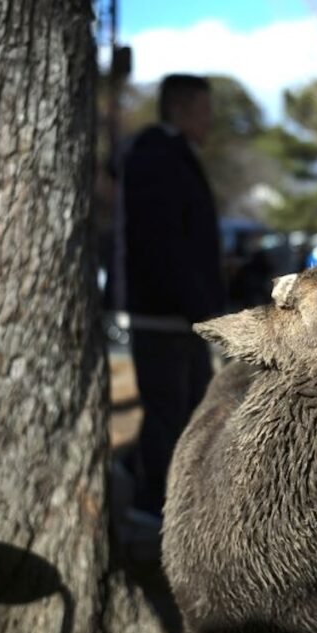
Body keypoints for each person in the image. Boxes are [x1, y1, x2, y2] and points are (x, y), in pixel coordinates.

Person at [120, 74, 225, 522]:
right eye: (203, 110)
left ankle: (178, 502)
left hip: (179, 311)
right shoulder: (157, 158)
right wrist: (197, 304)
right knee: (168, 414)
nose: (210, 121)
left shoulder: (172, 157)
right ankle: (152, 505)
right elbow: (162, 243)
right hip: (162, 312)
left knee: (190, 410)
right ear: (180, 110)